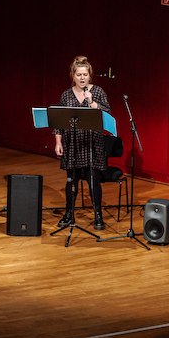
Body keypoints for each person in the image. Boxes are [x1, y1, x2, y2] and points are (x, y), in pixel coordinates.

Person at [54, 55, 112, 231]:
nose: (82, 78)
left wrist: (92, 103)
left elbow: (107, 112)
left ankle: (98, 215)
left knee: (93, 180)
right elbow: (59, 122)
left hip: (92, 145)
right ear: (73, 75)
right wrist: (58, 142)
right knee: (71, 181)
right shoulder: (66, 95)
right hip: (73, 144)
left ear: (89, 76)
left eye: (85, 75)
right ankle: (69, 213)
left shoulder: (98, 92)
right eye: (78, 74)